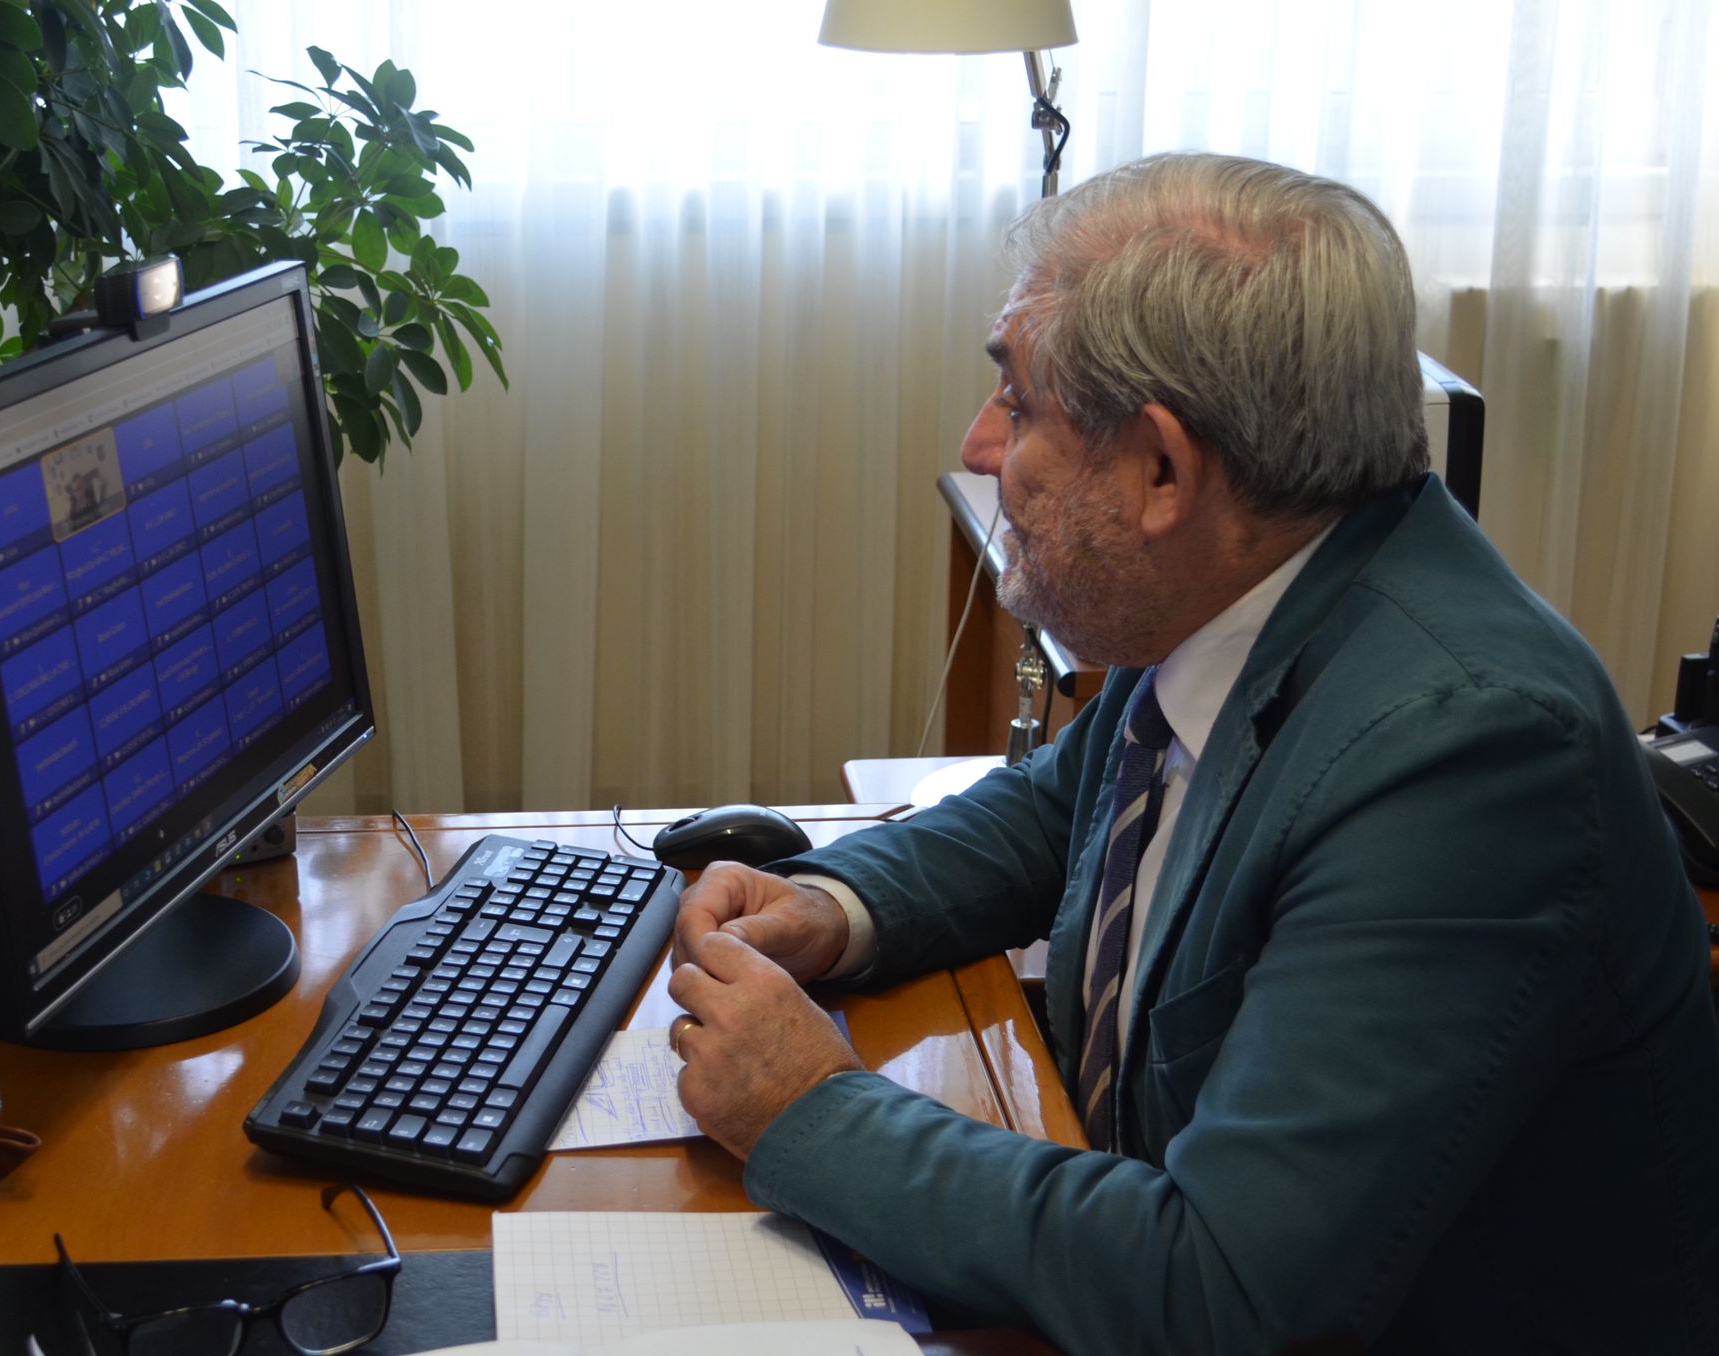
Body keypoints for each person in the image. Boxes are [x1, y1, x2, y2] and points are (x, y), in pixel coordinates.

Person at [665, 153, 1719, 1355]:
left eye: (1017, 401)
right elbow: (1058, 810)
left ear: (1161, 470)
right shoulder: (1250, 578)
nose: (979, 444)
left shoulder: (1465, 752)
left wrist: (807, 1106)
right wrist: (830, 907)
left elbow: (1221, 1291)